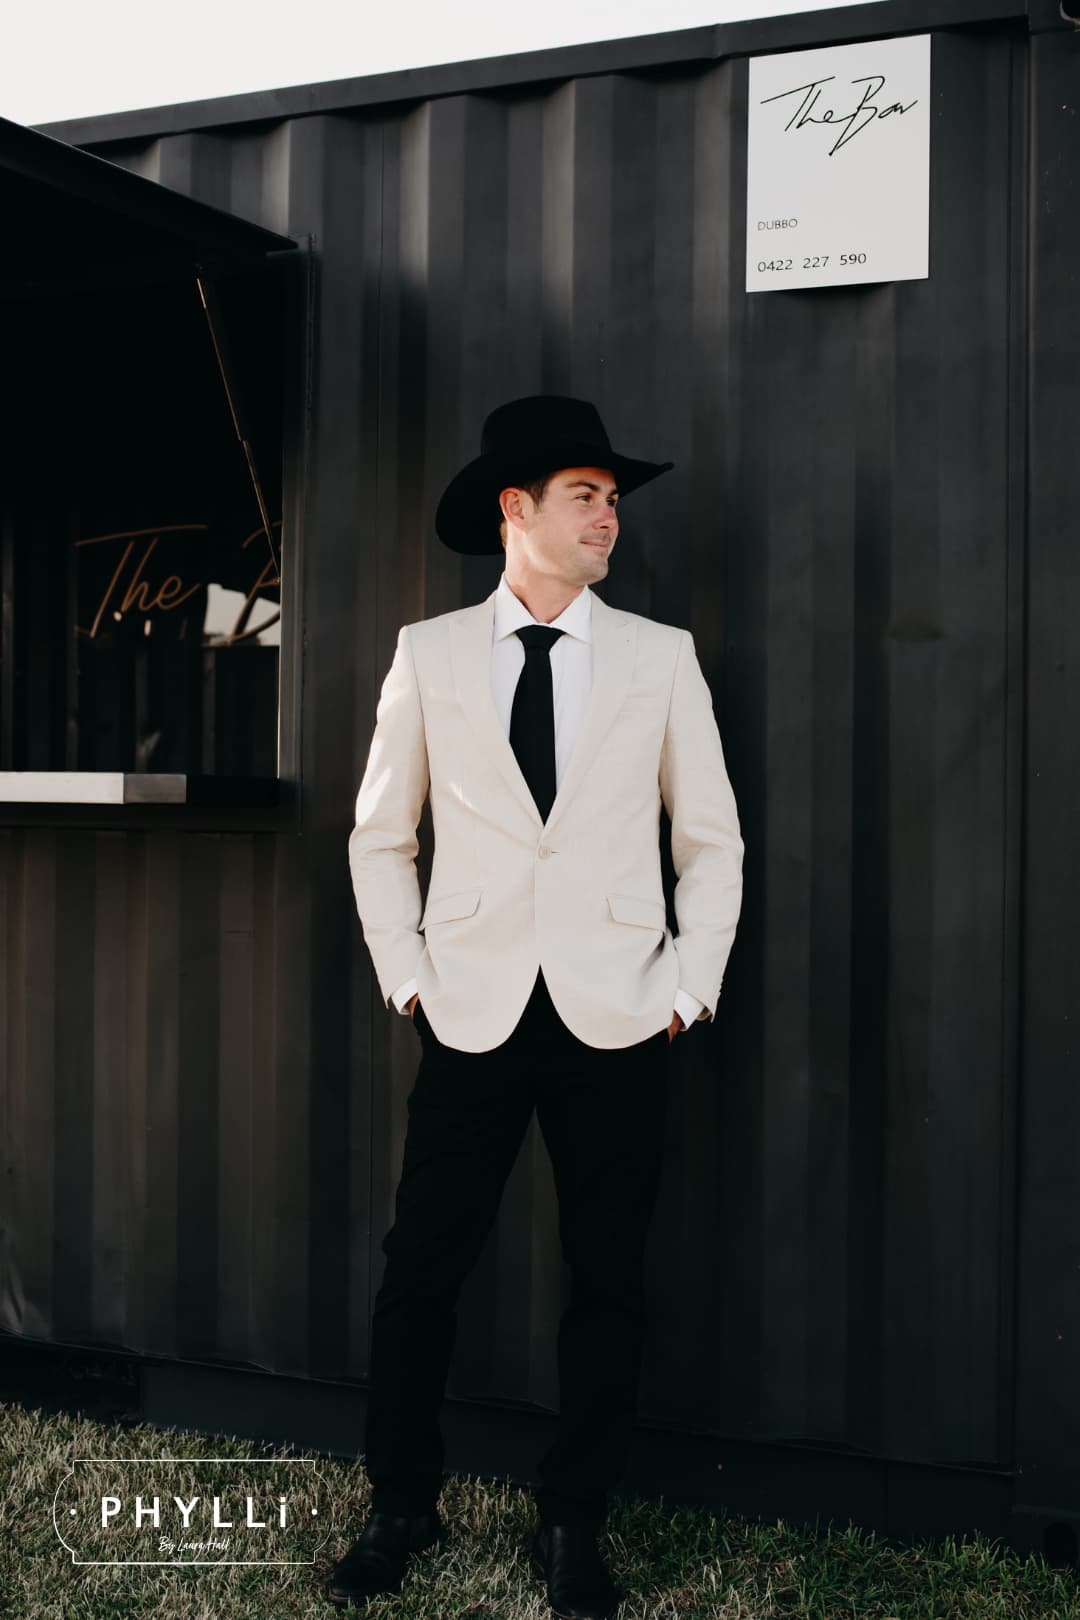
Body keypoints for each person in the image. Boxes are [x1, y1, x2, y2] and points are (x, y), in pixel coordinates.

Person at [333, 395, 743, 1618]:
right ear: (516, 509)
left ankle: (577, 1520)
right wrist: (406, 973)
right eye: (586, 494)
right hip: (467, 1009)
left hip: (621, 1016)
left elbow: (710, 841)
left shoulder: (661, 657)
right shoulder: (430, 653)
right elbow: (377, 836)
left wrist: (689, 986)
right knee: (420, 1271)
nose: (609, 515)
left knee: (608, 1279)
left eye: (614, 499)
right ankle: (402, 1502)